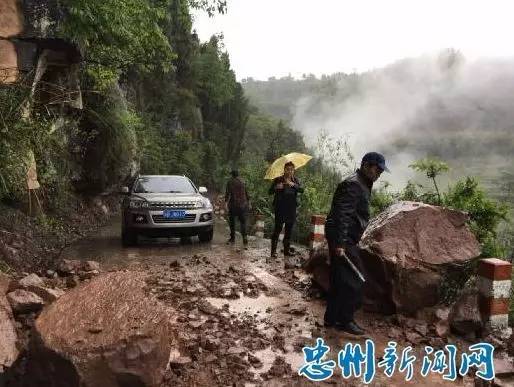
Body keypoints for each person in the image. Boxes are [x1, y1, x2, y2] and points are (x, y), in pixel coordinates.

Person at [324, 152, 389, 335]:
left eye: (381, 172)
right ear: (367, 166)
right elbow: (343, 214)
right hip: (343, 239)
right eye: (378, 170)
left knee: (338, 278)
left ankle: (331, 319)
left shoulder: (361, 183)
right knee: (357, 280)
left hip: (344, 237)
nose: (379, 174)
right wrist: (341, 243)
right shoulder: (354, 184)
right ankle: (345, 320)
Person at [268, 161, 304, 258]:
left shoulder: (295, 180)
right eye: (288, 169)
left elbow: (302, 190)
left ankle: (286, 251)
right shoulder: (278, 179)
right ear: (284, 170)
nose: (290, 171)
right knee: (278, 229)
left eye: (292, 170)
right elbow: (270, 192)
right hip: (280, 208)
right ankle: (273, 252)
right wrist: (276, 187)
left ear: (294, 171)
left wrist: (293, 184)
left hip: (291, 209)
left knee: (289, 231)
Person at [225, 170, 250, 248]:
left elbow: (227, 193)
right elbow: (247, 193)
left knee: (232, 222)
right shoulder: (243, 182)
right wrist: (249, 203)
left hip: (233, 205)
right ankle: (245, 238)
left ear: (232, 175)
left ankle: (232, 238)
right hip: (243, 205)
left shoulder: (230, 182)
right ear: (238, 175)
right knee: (243, 222)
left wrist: (226, 203)